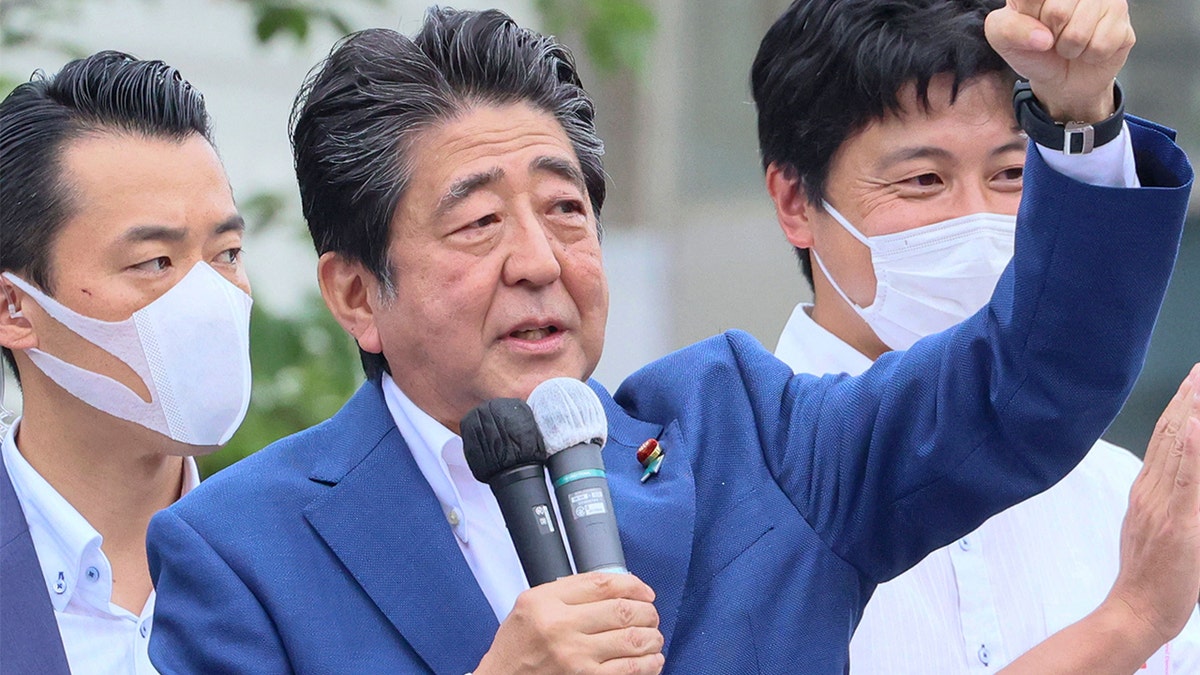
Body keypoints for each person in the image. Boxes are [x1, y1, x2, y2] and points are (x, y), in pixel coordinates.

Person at [146, 4, 1192, 673]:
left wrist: (1078, 120)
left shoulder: (749, 436)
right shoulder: (241, 552)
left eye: (565, 211)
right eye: (477, 223)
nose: (539, 261)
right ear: (355, 294)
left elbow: (1034, 379)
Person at [751, 0, 1200, 671]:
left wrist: (1080, 107)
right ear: (795, 203)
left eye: (1012, 175)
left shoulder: (1125, 503)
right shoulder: (731, 492)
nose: (977, 219)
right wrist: (1129, 619)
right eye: (923, 180)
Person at [0, 52, 252, 674]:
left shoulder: (291, 555)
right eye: (154, 263)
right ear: (14, 306)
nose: (210, 300)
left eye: (226, 254)